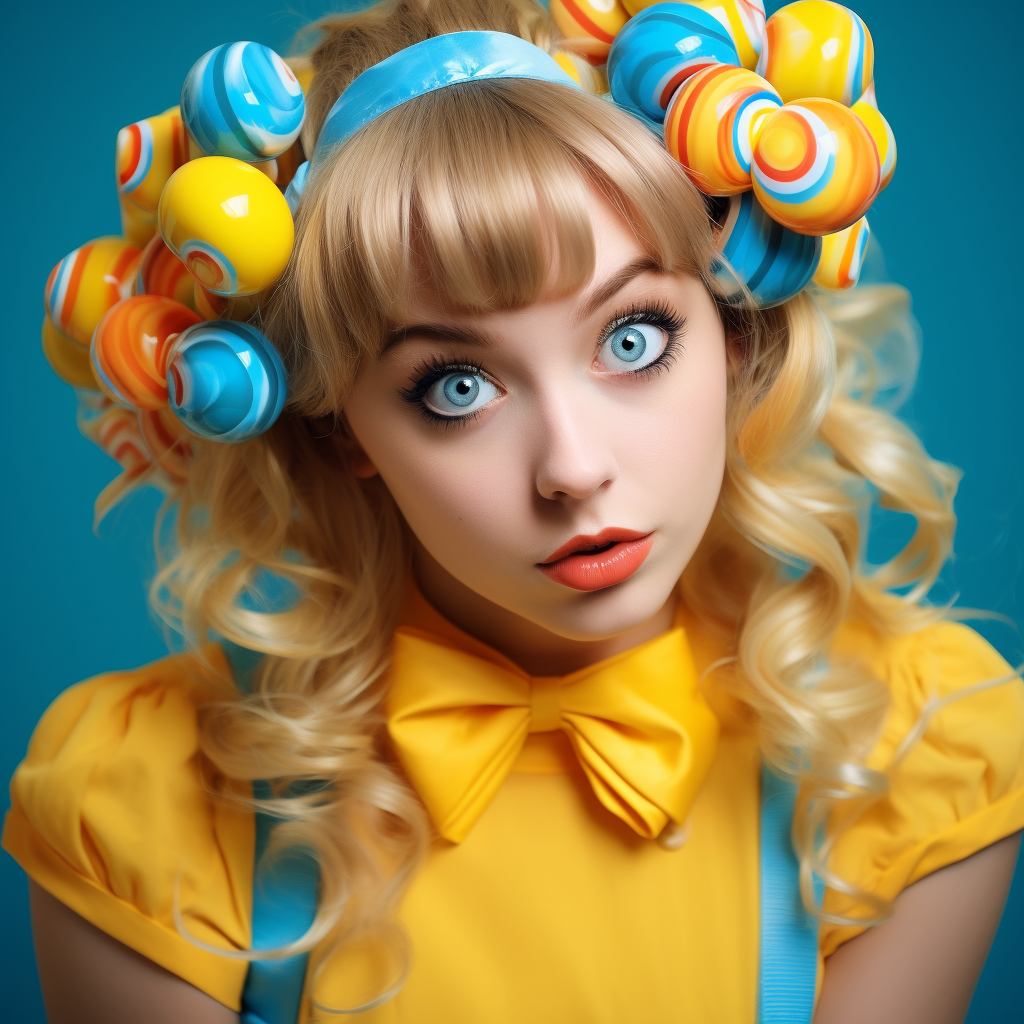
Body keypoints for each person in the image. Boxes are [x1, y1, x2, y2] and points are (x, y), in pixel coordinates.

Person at [5, 2, 1023, 1023]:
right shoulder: (143, 801)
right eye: (453, 387)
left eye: (631, 339)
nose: (573, 470)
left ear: (735, 337)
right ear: (342, 433)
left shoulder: (911, 751)